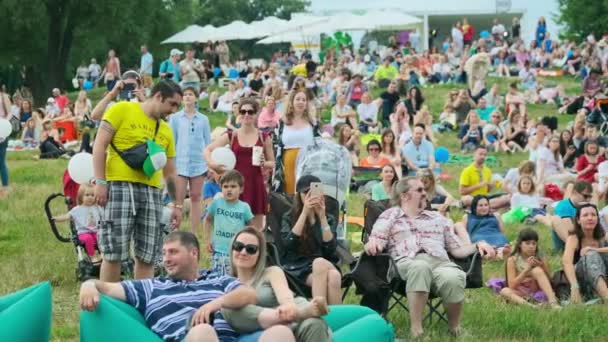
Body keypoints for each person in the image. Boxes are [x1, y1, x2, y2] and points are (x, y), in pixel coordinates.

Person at [79, 230, 289, 342]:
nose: (166, 259)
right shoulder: (152, 286)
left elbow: (248, 294)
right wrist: (88, 284)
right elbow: (105, 287)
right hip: (191, 338)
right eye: (164, 253)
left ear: (193, 253)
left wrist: (212, 305)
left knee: (281, 333)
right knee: (203, 332)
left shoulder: (217, 279)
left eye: (173, 252)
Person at [364, 176, 495, 337]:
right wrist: (372, 244)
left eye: (425, 189)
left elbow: (457, 250)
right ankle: (416, 330)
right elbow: (376, 238)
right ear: (404, 196)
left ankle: (455, 328)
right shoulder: (390, 216)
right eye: (419, 190)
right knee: (421, 267)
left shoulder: (439, 219)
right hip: (406, 262)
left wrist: (478, 244)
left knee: (453, 276)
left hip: (439, 262)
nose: (425, 193)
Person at [92, 80, 183, 282]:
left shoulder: (166, 130)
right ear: (158, 96)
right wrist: (100, 182)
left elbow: (170, 173)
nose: (173, 110)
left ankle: (143, 305)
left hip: (151, 192)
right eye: (172, 104)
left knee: (147, 255)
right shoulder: (121, 109)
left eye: (177, 106)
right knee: (113, 252)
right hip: (119, 186)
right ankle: (110, 306)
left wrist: (177, 204)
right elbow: (99, 146)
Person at [222, 227, 332, 341]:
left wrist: (289, 307)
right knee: (228, 307)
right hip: (263, 332)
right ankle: (297, 314)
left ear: (260, 254)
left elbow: (285, 296)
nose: (243, 252)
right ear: (232, 249)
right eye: (238, 246)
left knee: (314, 323)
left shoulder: (271, 272)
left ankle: (294, 315)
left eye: (251, 249)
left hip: (294, 322)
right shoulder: (224, 282)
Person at [206, 98, 275, 229]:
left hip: (255, 184)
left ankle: (255, 249)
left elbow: (273, 163)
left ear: (257, 114)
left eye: (251, 111)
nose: (247, 115)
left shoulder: (264, 137)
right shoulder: (231, 135)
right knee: (233, 226)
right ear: (239, 114)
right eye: (243, 111)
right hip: (235, 185)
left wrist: (264, 163)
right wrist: (213, 165)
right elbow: (208, 150)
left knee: (256, 229)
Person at [280, 175, 342, 305]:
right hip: (298, 267)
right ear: (299, 196)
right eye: (305, 193)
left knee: (319, 263)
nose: (310, 195)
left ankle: (320, 315)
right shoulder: (288, 217)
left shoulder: (328, 218)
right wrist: (304, 213)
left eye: (313, 192)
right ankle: (332, 320)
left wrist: (322, 216)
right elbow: (288, 244)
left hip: (323, 263)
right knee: (334, 277)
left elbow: (330, 249)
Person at [169, 87, 211, 234]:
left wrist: (209, 163)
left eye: (190, 94)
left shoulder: (203, 119)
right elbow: (172, 141)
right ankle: (176, 229)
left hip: (198, 163)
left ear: (196, 98)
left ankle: (193, 231)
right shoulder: (175, 118)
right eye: (185, 94)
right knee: (178, 199)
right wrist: (172, 164)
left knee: (195, 196)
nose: (187, 97)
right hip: (180, 163)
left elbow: (208, 143)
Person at [500, 228, 561, 308]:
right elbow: (512, 285)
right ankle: (531, 307)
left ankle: (553, 303)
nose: (531, 246)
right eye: (527, 243)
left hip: (537, 290)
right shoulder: (512, 260)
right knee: (504, 291)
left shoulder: (540, 257)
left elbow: (549, 280)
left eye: (534, 243)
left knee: (537, 270)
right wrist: (526, 271)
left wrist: (542, 266)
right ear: (520, 244)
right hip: (520, 292)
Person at [562, 203, 608, 303]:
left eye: (593, 215)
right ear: (578, 220)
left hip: (604, 276)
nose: (590, 218)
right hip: (583, 282)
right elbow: (566, 263)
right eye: (585, 215)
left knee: (593, 252)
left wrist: (595, 249)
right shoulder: (574, 238)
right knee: (591, 255)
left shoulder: (603, 236)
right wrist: (574, 287)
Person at [276, 90, 316, 194]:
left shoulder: (312, 122)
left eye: (304, 100)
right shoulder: (282, 122)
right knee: (290, 191)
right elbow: (276, 144)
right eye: (298, 99)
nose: (301, 102)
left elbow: (318, 142)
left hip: (308, 161)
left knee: (307, 191)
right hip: (289, 161)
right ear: (291, 102)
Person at [52, 184, 101, 258]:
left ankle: (103, 255)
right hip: (83, 232)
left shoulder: (96, 208)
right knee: (88, 239)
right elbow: (67, 216)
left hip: (95, 231)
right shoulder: (77, 209)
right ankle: (92, 256)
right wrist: (56, 219)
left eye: (92, 195)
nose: (90, 197)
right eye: (87, 195)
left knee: (102, 236)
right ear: (81, 196)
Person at [550, 181, 594, 251]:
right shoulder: (563, 206)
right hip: (567, 245)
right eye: (585, 196)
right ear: (575, 192)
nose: (588, 200)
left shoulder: (586, 207)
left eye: (590, 197)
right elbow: (570, 232)